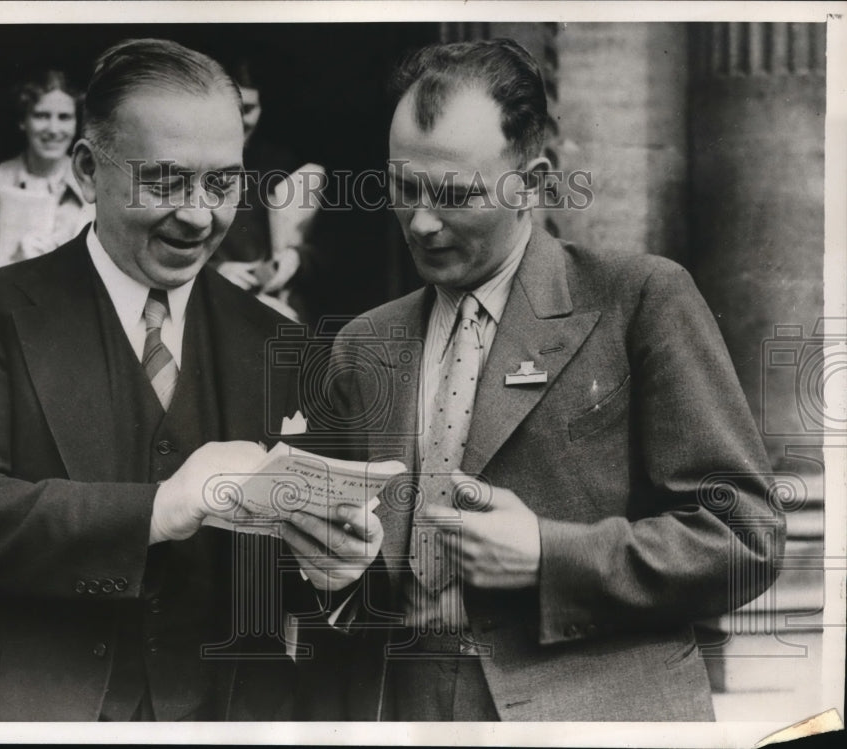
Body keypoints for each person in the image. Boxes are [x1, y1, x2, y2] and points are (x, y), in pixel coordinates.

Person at [298, 38, 783, 722]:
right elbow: (336, 576)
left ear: (533, 181)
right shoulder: (363, 345)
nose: (421, 222)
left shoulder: (639, 299)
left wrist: (550, 557)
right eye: (402, 189)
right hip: (402, 712)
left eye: (455, 195)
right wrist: (329, 570)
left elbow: (744, 539)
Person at [0, 38, 379, 721]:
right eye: (166, 179)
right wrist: (158, 508)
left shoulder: (281, 344)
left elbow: (307, 599)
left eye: (222, 182)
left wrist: (336, 571)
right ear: (89, 171)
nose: (199, 214)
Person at [0, 70, 94, 281]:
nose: (53, 128)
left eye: (64, 117)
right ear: (23, 121)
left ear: (76, 124)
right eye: (41, 116)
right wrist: (13, 261)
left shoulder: (95, 187)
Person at [208, 57, 323, 323]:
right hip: (216, 308)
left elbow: (330, 248)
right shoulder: (192, 167)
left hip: (279, 308)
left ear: (261, 108)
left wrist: (296, 259)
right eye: (231, 109)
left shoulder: (283, 164)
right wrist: (216, 271)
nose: (240, 120)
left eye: (248, 109)